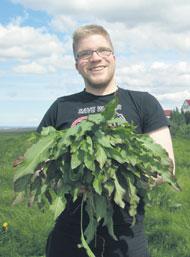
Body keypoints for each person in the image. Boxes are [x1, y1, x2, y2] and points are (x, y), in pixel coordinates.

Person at [37, 24, 175, 257]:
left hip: (125, 240)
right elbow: (38, 167)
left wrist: (117, 174)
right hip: (69, 238)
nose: (95, 58)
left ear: (114, 57)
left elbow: (165, 166)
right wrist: (70, 182)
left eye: (103, 50)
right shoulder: (61, 106)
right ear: (76, 64)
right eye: (85, 53)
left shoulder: (143, 102)